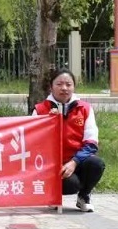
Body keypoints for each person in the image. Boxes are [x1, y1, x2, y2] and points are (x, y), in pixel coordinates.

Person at [32, 69, 105, 212]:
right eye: (59, 84)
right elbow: (34, 142)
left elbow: (91, 142)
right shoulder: (40, 110)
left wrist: (74, 162)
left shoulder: (84, 109)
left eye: (68, 84)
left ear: (74, 87)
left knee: (96, 164)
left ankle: (84, 196)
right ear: (51, 87)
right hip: (52, 165)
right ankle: (53, 195)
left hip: (77, 161)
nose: (64, 88)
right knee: (71, 185)